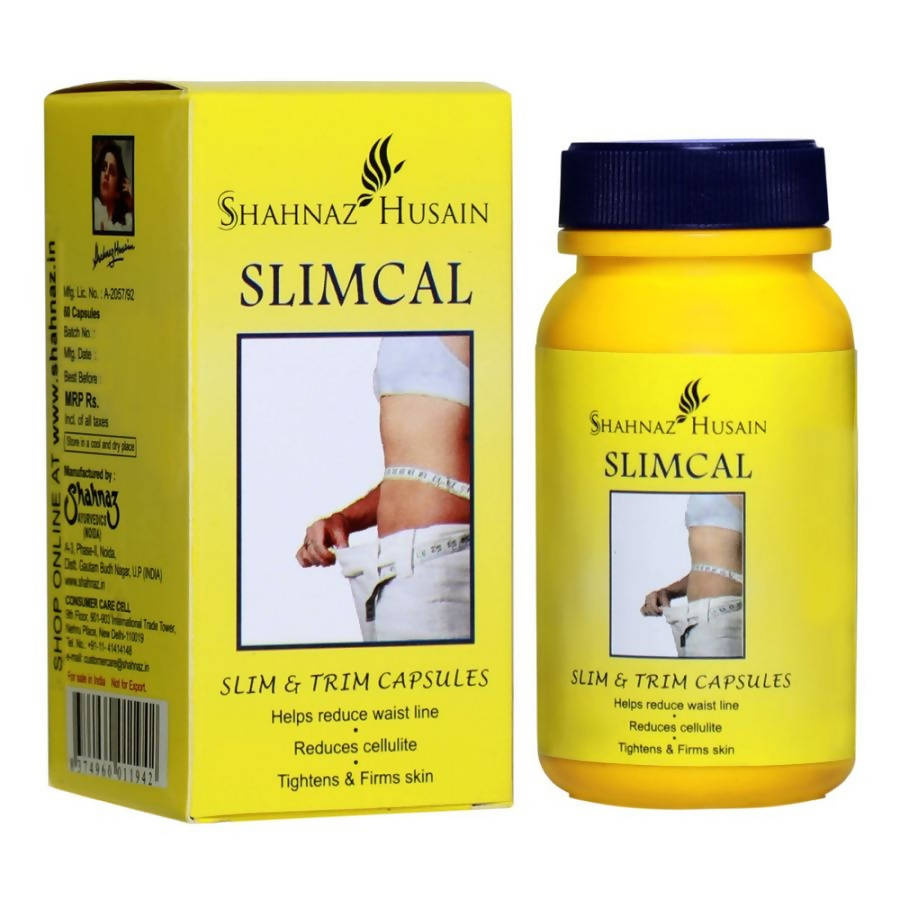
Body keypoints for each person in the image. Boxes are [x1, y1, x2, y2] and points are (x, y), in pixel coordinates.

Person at [296, 335, 471, 642]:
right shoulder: (397, 331)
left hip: (440, 568)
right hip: (388, 569)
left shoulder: (471, 321)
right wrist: (344, 519)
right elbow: (419, 467)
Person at [641, 493, 743, 657]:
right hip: (690, 623)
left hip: (721, 620)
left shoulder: (742, 486)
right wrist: (668, 591)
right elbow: (711, 567)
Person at [93, 140, 133, 233]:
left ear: (118, 189)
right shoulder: (92, 211)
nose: (106, 174)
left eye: (111, 171)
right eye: (104, 167)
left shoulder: (126, 225)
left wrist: (133, 204)